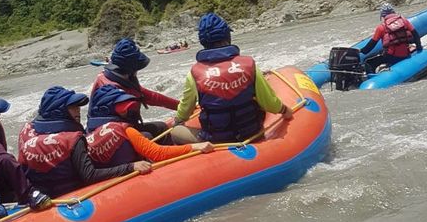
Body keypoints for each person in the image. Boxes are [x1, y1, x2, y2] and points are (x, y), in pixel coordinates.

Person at [169, 13, 294, 145]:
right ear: (227, 36)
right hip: (252, 133)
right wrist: (285, 110)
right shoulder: (249, 65)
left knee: (175, 131)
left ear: (202, 41)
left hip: (216, 140)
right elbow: (270, 103)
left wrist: (178, 120)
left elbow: (185, 110)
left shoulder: (194, 74)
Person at [18, 85, 152, 199]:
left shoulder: (27, 135)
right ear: (59, 111)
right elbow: (90, 175)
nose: (78, 110)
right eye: (73, 107)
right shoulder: (73, 139)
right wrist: (131, 167)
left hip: (44, 197)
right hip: (73, 198)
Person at [86, 84, 213, 167]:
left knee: (154, 130)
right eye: (122, 108)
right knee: (149, 134)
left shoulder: (88, 134)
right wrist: (194, 147)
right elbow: (157, 153)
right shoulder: (124, 130)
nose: (127, 111)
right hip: (123, 175)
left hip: (109, 171)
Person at [89, 39, 179, 137]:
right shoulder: (113, 90)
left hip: (122, 129)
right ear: (130, 69)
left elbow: (151, 97)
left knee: (161, 127)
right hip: (110, 135)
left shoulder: (117, 77)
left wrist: (181, 106)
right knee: (147, 136)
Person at [360, 3, 423, 72]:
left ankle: (374, 77)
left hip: (391, 57)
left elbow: (370, 46)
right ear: (393, 12)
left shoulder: (381, 28)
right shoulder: (404, 21)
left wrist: (361, 51)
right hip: (405, 54)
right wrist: (419, 48)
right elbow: (416, 35)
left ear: (382, 16)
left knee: (369, 62)